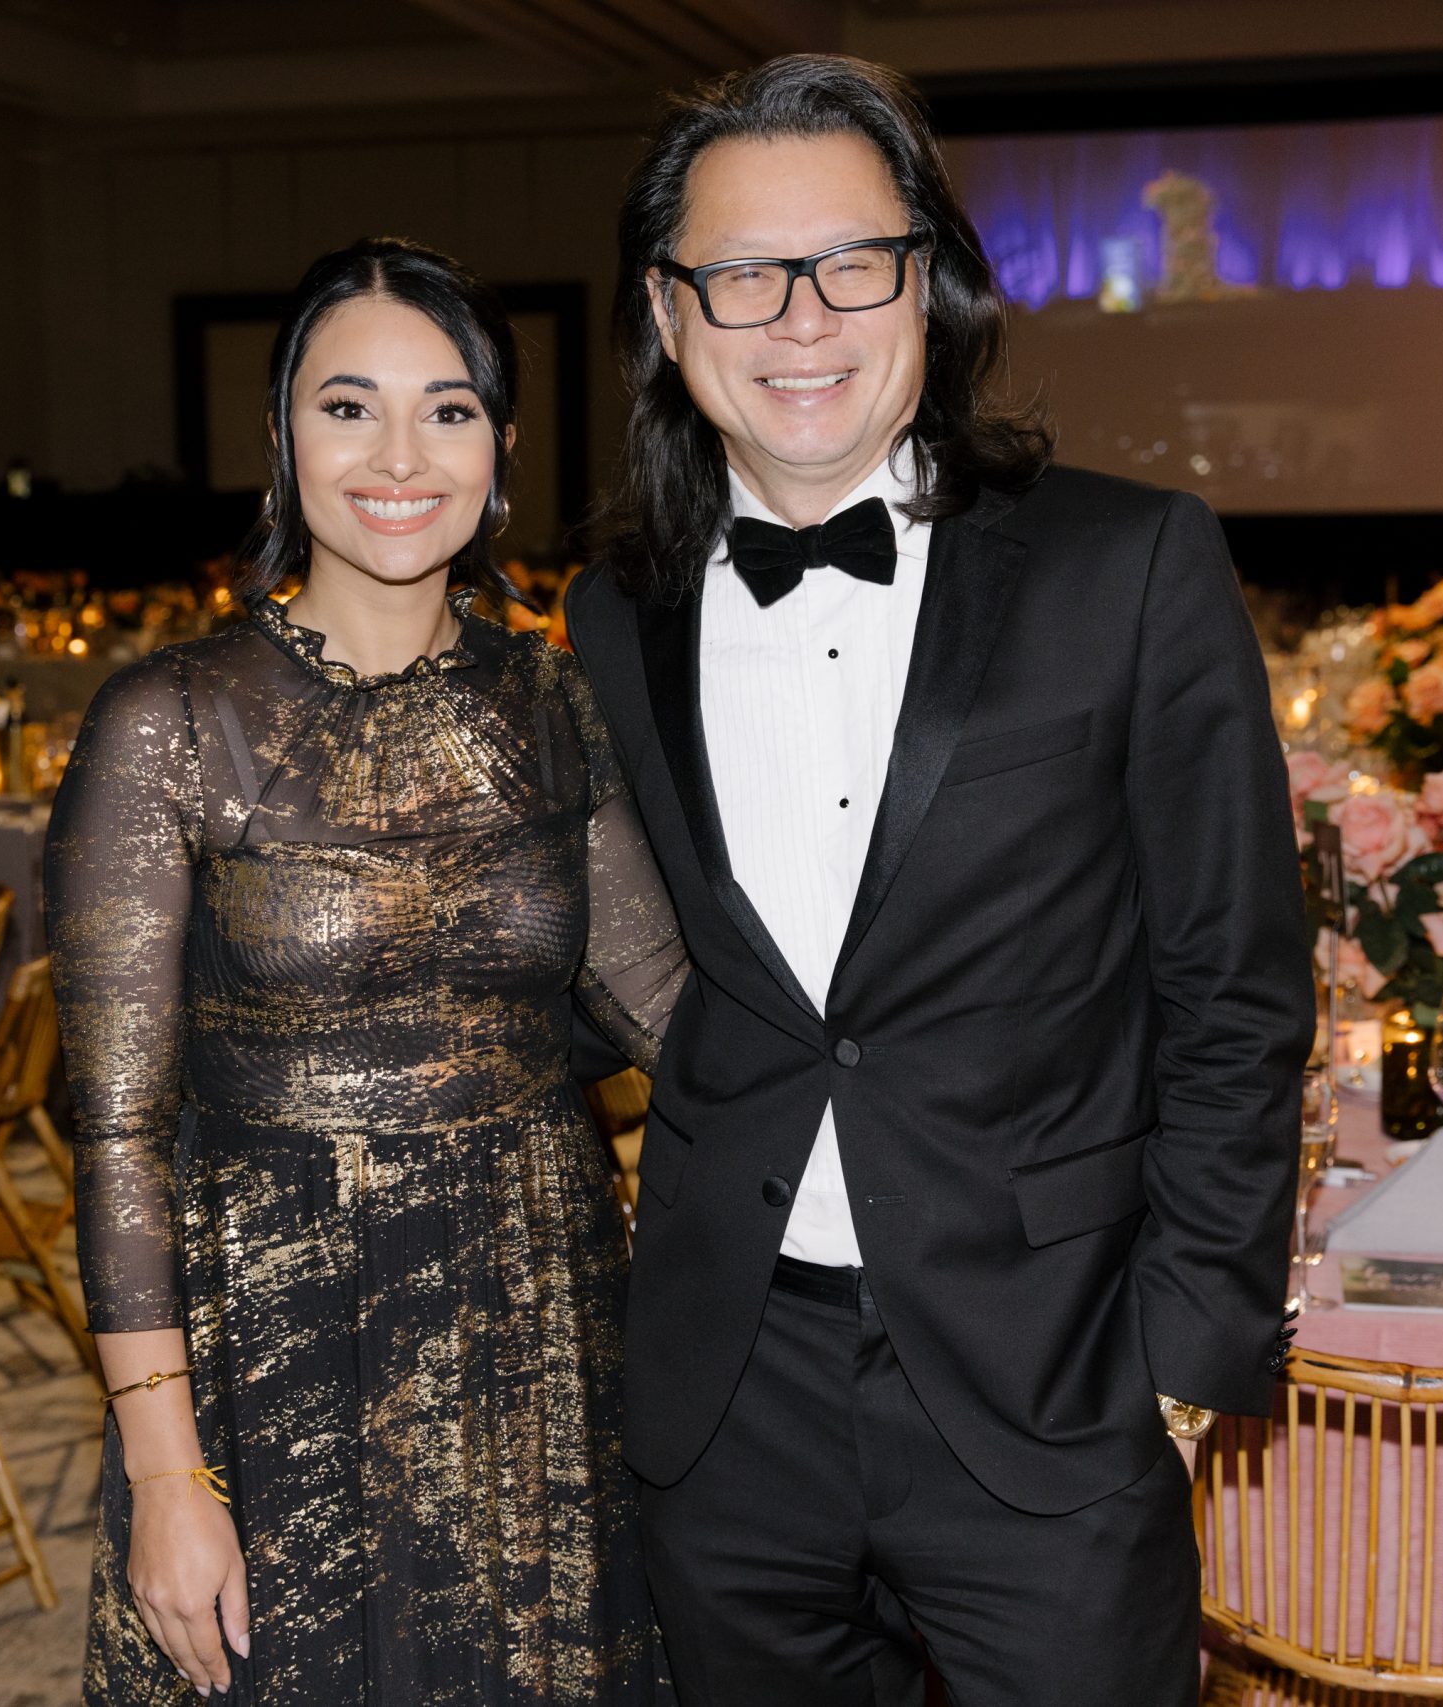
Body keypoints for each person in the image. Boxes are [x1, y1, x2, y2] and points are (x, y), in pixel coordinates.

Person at [564, 55, 1312, 1705]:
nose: (802, 320)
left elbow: (1236, 987)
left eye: (853, 263)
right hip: (727, 1392)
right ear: (671, 317)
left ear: (931, 285)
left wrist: (1185, 1355)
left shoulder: (1129, 562)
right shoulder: (612, 615)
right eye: (743, 274)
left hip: (1055, 1376)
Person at [47, 236, 685, 1706]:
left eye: (448, 410)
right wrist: (165, 1472)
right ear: (282, 436)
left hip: (537, 1315)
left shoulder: (555, 702)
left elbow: (679, 1016)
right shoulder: (168, 721)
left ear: (502, 448)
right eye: (349, 407)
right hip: (279, 1338)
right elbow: (120, 1135)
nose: (400, 456)